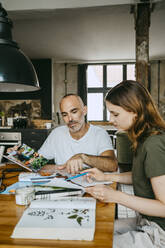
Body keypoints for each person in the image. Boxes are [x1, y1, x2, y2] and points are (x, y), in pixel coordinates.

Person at [84, 80, 165, 247]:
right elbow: (140, 176)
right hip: (146, 221)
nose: (111, 119)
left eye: (115, 114)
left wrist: (115, 196)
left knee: (96, 242)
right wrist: (104, 176)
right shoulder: (143, 138)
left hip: (159, 232)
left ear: (134, 111)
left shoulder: (153, 144)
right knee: (94, 229)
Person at [38, 94, 118, 175]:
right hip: (64, 185)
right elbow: (35, 164)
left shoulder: (99, 134)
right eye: (65, 115)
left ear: (84, 110)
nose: (70, 119)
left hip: (93, 186)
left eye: (74, 112)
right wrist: (62, 168)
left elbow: (112, 165)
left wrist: (83, 157)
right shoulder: (56, 134)